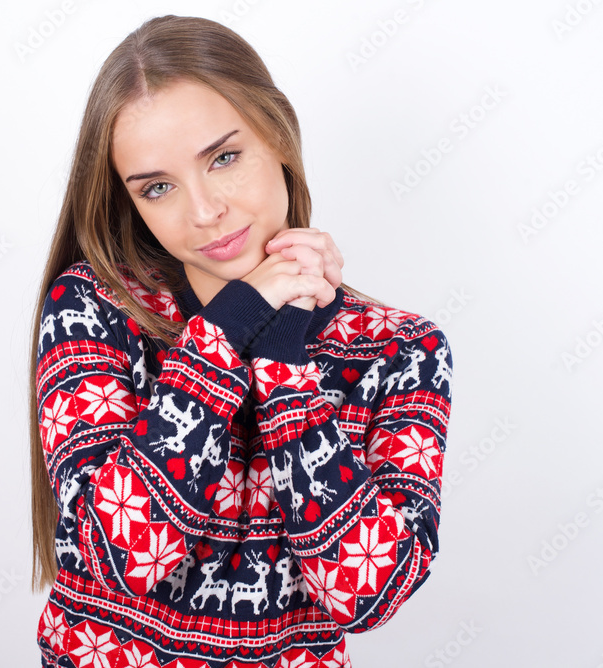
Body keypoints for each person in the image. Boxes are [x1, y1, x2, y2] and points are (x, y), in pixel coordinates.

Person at [27, 14, 454, 667]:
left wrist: (283, 358)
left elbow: (370, 593)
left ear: (279, 136)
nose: (203, 211)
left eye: (223, 158)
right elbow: (121, 558)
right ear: (132, 201)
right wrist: (227, 328)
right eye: (158, 187)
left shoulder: (400, 351)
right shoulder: (93, 309)